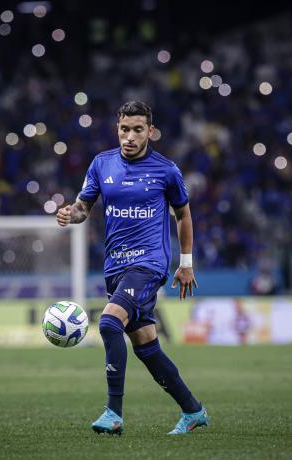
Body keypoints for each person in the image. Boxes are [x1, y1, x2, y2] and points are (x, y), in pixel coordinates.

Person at [56, 101, 209, 436]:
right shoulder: (102, 164)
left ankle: (113, 413)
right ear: (117, 129)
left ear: (150, 131)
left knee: (109, 323)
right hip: (116, 266)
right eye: (124, 129)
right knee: (146, 346)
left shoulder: (166, 170)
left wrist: (185, 263)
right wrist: (70, 214)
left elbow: (183, 215)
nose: (130, 136)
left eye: (138, 130)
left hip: (149, 264)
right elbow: (83, 207)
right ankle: (193, 410)